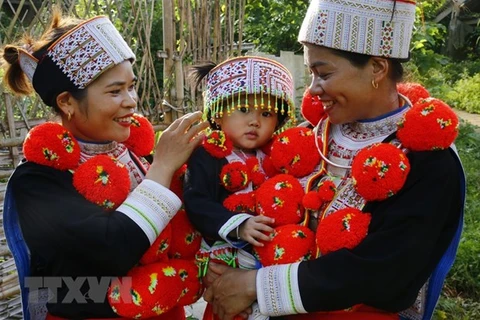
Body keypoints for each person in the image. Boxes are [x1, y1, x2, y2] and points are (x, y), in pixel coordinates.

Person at [202, 0, 466, 320]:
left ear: (377, 68)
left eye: (323, 74)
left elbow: (387, 272)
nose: (313, 90)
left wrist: (257, 287)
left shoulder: (429, 162)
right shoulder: (311, 135)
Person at [1, 9, 208, 320]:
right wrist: (163, 168)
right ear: (66, 102)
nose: (131, 101)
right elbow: (109, 252)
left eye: (131, 86)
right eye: (115, 91)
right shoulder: (38, 181)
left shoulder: (140, 157)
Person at [183, 56, 296, 320]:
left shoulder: (277, 159)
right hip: (227, 263)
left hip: (273, 266)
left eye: (266, 114)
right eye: (244, 109)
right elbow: (196, 201)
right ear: (218, 113)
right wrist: (239, 225)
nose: (255, 121)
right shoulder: (206, 155)